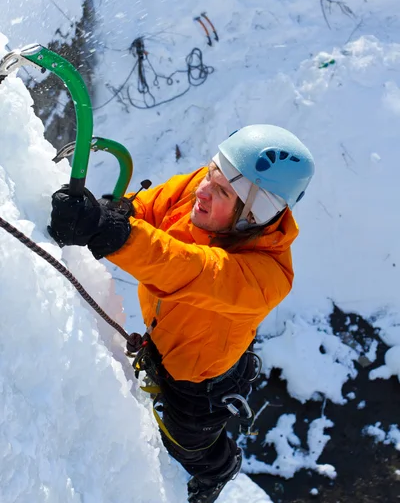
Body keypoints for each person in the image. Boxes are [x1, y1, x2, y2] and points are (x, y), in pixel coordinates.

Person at [48, 124, 315, 503]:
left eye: (221, 190)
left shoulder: (268, 276)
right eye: (210, 173)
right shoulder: (207, 191)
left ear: (253, 216)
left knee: (189, 443)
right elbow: (151, 205)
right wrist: (118, 213)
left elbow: (191, 269)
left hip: (200, 382)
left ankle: (218, 471)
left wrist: (116, 235)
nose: (202, 190)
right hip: (166, 338)